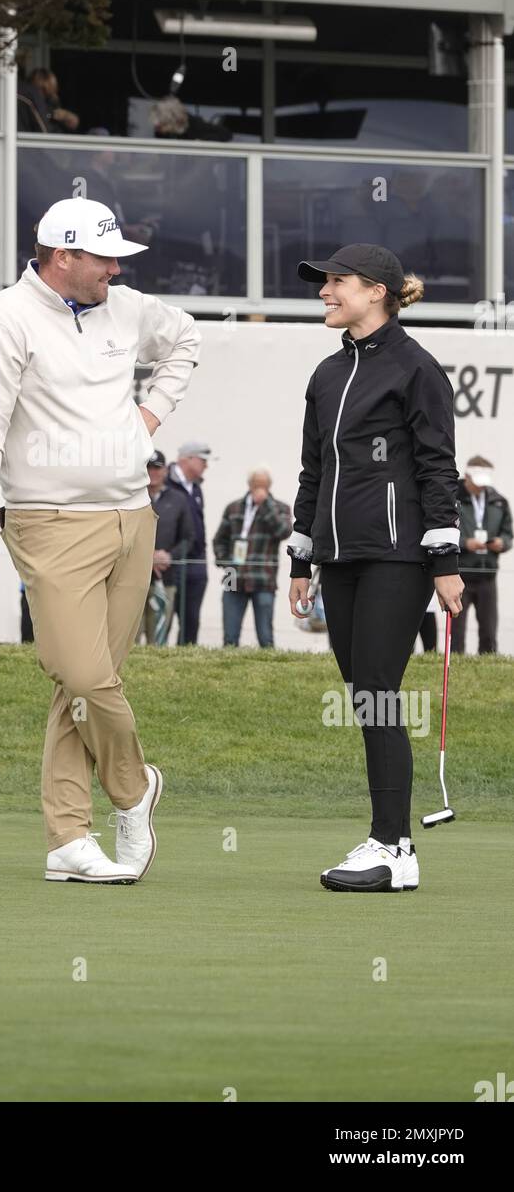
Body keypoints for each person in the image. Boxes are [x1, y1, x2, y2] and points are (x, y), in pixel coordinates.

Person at [0, 197, 201, 884]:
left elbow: (185, 339)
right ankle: (133, 789)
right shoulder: (4, 321)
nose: (115, 269)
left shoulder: (124, 306)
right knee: (83, 673)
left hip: (131, 517)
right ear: (62, 256)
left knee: (82, 687)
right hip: (49, 521)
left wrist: (147, 416)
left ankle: (67, 839)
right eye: (103, 257)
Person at [288, 244, 464, 894]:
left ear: (377, 292)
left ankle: (393, 846)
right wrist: (301, 557)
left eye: (338, 282)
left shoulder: (418, 369)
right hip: (338, 557)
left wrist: (445, 563)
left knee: (377, 689)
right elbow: (314, 471)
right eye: (325, 283)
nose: (325, 292)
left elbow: (437, 467)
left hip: (400, 556)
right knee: (365, 695)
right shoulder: (326, 376)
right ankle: (390, 840)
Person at [214, 468, 292, 648]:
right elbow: (219, 540)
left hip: (263, 578)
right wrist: (226, 562)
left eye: (263, 486)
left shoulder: (280, 508)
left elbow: (283, 531)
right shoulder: (233, 508)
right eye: (256, 485)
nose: (259, 490)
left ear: (269, 487)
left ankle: (267, 666)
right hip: (233, 575)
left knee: (265, 637)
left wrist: (266, 505)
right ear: (249, 486)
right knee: (230, 637)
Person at [450, 455, 512, 655]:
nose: (481, 488)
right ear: (467, 476)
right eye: (477, 483)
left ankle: (488, 660)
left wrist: (502, 543)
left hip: (487, 575)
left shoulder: (499, 502)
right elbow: (445, 530)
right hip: (461, 575)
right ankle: (456, 663)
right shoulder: (453, 499)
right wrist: (465, 543)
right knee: (457, 630)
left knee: (488, 629)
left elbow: (508, 534)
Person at [137, 450, 194, 645]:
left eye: (157, 468)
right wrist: (147, 556)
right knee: (130, 635)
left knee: (159, 634)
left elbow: (188, 537)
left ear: (165, 471)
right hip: (133, 576)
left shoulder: (179, 499)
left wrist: (168, 556)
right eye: (149, 467)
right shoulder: (133, 497)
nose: (152, 472)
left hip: (165, 577)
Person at [164, 440, 211, 644]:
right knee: (163, 618)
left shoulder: (196, 488)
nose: (206, 466)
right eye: (203, 460)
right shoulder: (163, 482)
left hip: (196, 563)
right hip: (170, 563)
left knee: (191, 619)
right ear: (187, 459)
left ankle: (187, 656)